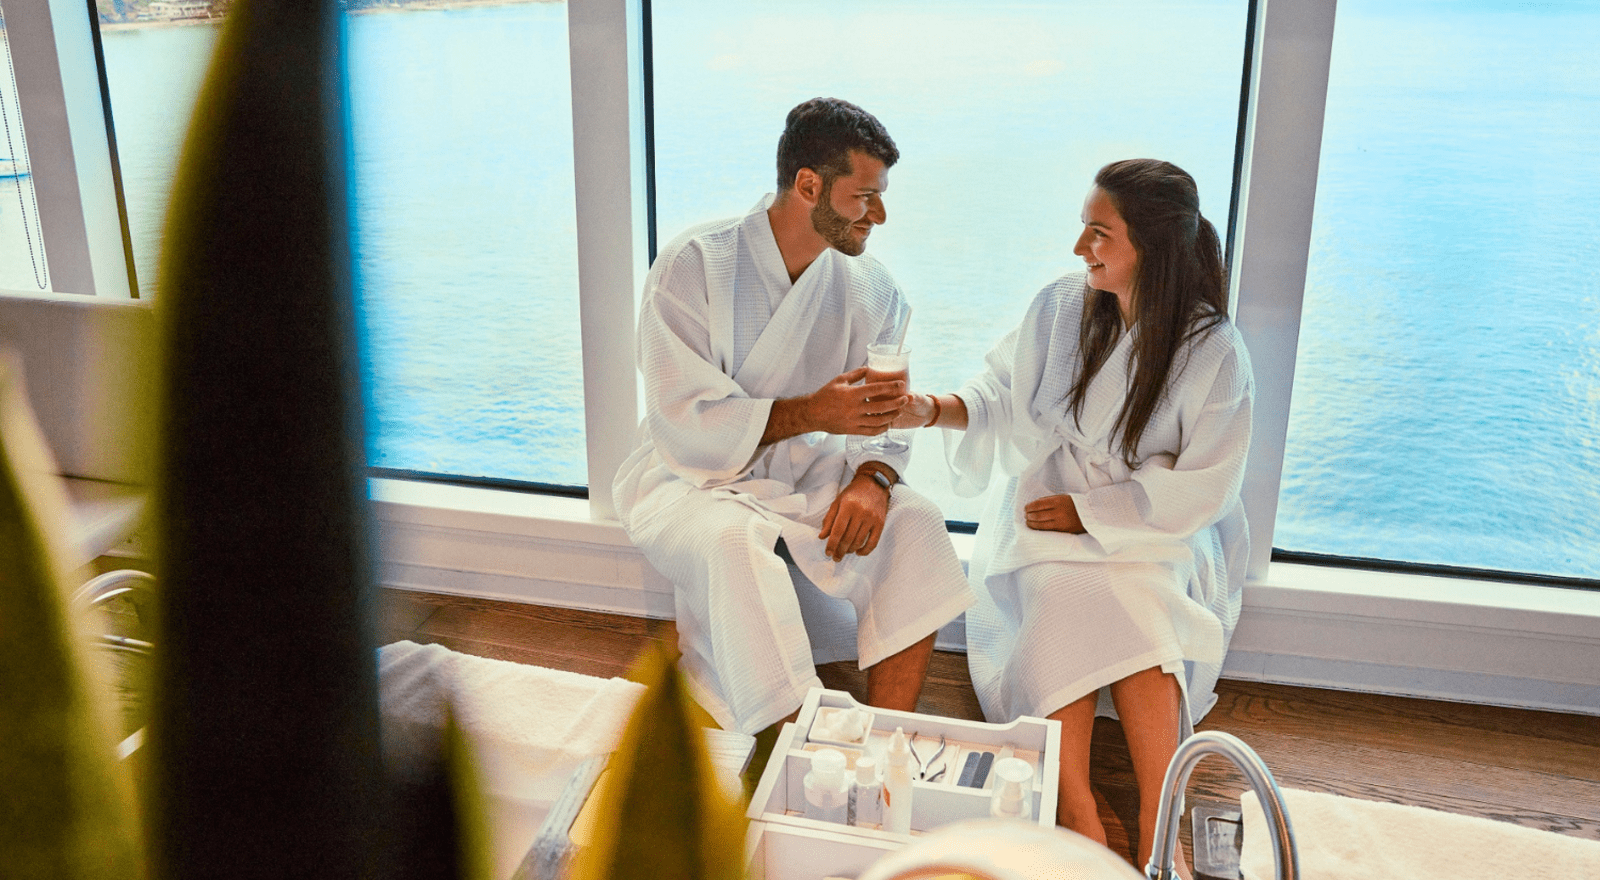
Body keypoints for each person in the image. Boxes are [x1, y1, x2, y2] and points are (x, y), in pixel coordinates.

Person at [896, 159, 1253, 870]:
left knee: (1142, 600)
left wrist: (1095, 514)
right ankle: (1078, 811)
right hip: (1049, 500)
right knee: (1061, 591)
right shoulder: (1064, 305)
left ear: (1151, 247)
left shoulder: (1214, 350)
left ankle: (1160, 808)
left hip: (1158, 526)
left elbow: (1205, 486)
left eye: (1098, 232)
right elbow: (1000, 395)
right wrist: (930, 408)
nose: (1079, 247)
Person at [613, 97, 974, 736]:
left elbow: (884, 416)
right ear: (809, 185)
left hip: (810, 474)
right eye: (865, 196)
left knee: (915, 522)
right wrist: (815, 411)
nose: (881, 214)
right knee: (732, 544)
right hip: (693, 478)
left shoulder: (873, 289)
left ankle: (889, 740)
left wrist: (874, 479)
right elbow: (681, 422)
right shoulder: (694, 266)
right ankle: (794, 751)